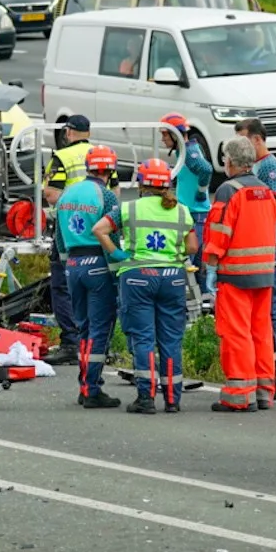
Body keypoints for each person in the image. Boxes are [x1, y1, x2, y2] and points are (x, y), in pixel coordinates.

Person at [96, 156, 196, 414]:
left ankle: (146, 397)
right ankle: (173, 400)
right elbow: (193, 246)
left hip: (137, 276)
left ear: (141, 183)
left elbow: (100, 229)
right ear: (167, 184)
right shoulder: (181, 210)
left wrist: (116, 253)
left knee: (143, 339)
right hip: (173, 278)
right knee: (171, 339)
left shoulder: (128, 208)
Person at [202, 137, 276, 413]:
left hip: (235, 275)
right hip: (264, 274)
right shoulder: (265, 191)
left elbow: (219, 233)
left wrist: (211, 265)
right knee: (261, 331)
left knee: (236, 333)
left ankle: (239, 393)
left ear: (231, 161)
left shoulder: (228, 190)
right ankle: (263, 391)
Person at [55, 143, 124, 407]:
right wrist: (116, 273)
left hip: (73, 265)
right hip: (97, 262)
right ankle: (92, 388)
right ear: (110, 169)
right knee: (100, 328)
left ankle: (84, 384)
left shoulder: (67, 193)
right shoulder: (105, 196)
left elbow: (59, 238)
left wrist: (67, 265)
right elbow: (112, 234)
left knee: (83, 327)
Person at [236, 118, 276, 402]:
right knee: (263, 314)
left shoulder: (268, 168)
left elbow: (270, 211)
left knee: (269, 313)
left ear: (257, 139)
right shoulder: (259, 167)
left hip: (269, 247)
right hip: (265, 247)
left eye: (245, 140)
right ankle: (268, 372)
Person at [40, 115, 96, 363]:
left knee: (62, 285)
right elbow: (113, 193)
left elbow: (51, 195)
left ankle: (71, 342)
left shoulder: (61, 157)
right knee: (96, 285)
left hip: (68, 227)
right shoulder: (101, 154)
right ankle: (94, 341)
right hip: (98, 229)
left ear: (69, 132)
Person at [160, 113, 214, 311]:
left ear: (176, 135)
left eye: (165, 134)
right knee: (195, 266)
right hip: (191, 213)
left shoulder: (190, 152)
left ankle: (190, 309)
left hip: (194, 214)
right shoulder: (183, 151)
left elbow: (206, 170)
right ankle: (198, 309)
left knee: (188, 264)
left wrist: (201, 192)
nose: (162, 139)